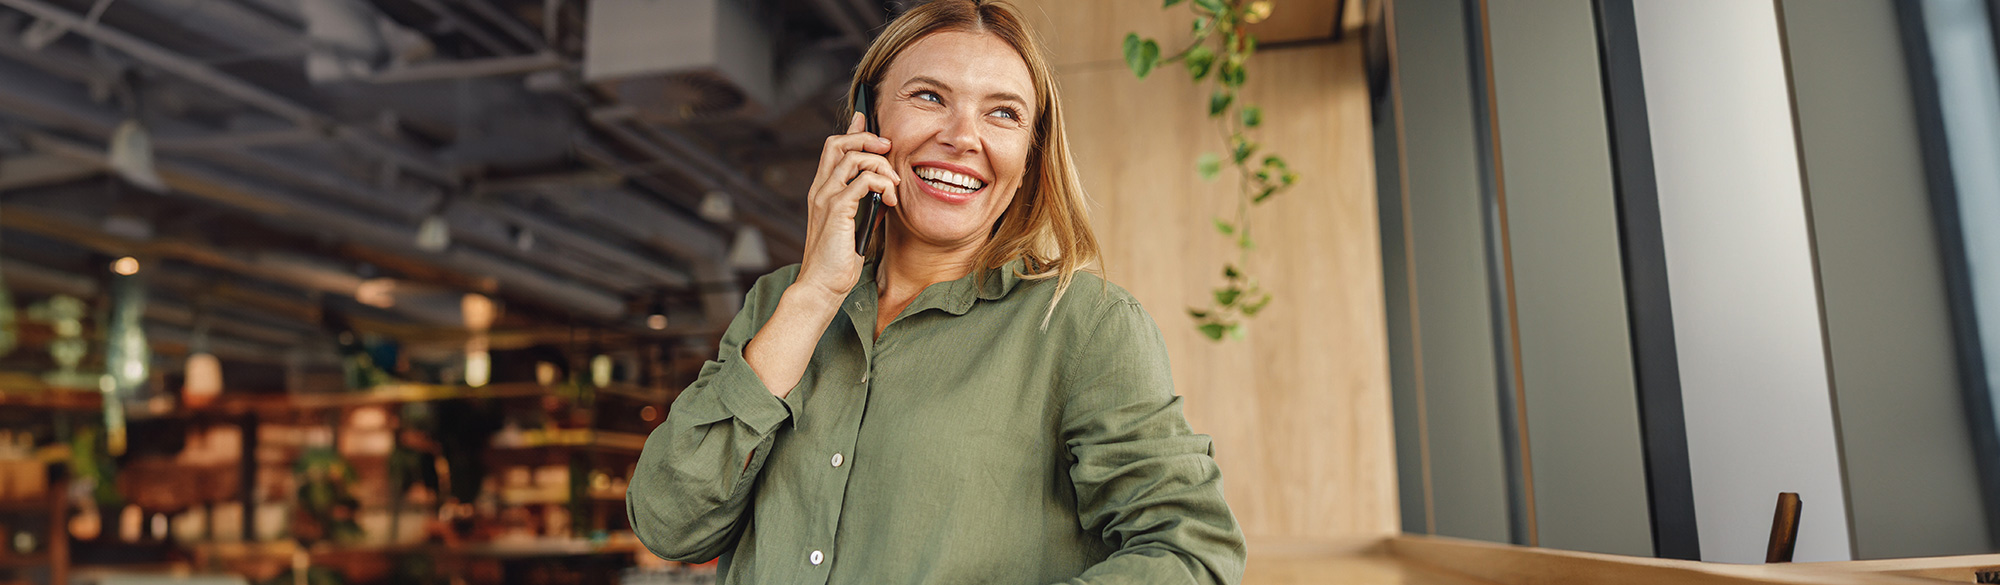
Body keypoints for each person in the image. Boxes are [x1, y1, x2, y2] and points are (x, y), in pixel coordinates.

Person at [625, 0, 1246, 582]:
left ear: (1029, 154)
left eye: (1002, 113)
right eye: (929, 96)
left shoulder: (1083, 324)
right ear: (867, 122)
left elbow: (1189, 550)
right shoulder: (778, 304)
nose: (962, 136)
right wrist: (815, 294)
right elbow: (669, 524)